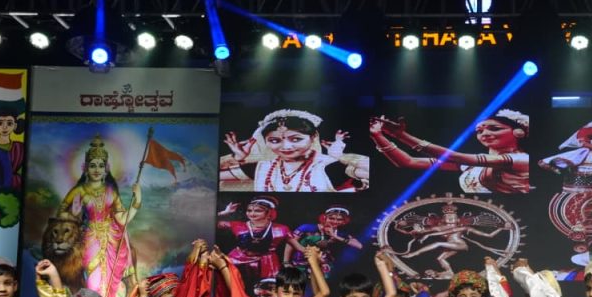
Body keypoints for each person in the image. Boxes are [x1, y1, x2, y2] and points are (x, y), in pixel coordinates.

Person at [57, 135, 141, 297]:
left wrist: (137, 202)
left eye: (100, 166)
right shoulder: (79, 191)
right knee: (94, 283)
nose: (96, 169)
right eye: (93, 165)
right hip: (90, 240)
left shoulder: (111, 191)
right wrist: (74, 213)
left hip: (111, 240)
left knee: (110, 286)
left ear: (106, 169)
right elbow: (62, 214)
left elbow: (122, 219)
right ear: (86, 168)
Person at [370, 109, 530, 193]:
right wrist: (378, 135)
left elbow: (455, 156)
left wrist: (401, 135)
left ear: (518, 132)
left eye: (494, 129)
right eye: (480, 131)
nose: (485, 134)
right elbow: (409, 162)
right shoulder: (470, 165)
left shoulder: (521, 159)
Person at [220, 109, 369, 192]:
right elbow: (213, 178)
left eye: (296, 139)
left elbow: (371, 173)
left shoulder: (329, 166)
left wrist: (341, 157)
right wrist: (237, 158)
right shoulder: (261, 168)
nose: (285, 147)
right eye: (275, 141)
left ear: (313, 137)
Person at [216, 195, 297, 291]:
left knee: (267, 290)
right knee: (233, 288)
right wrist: (225, 212)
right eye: (249, 210)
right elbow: (210, 222)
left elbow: (297, 246)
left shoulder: (281, 229)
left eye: (258, 211)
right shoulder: (237, 225)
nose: (252, 214)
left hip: (266, 263)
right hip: (238, 260)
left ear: (269, 212)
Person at [0, 107, 25, 189]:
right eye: (0, 123)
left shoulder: (19, 147)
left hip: (14, 185)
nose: (4, 127)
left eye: (9, 123)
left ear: (15, 126)